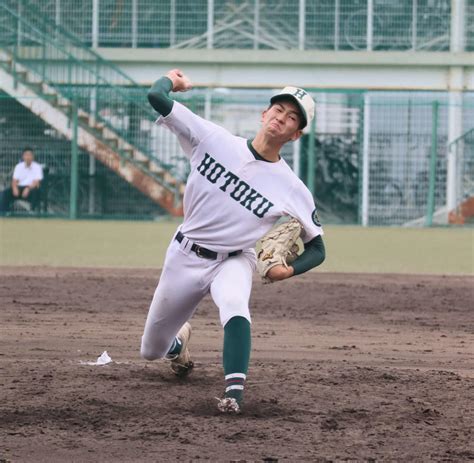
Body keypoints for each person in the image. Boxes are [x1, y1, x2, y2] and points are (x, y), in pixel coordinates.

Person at [141, 69, 325, 414]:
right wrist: (171, 80)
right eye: (279, 110)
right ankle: (178, 345)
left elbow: (318, 248)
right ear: (264, 114)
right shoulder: (214, 139)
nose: (282, 118)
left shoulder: (291, 188)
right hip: (184, 254)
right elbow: (157, 97)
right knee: (151, 350)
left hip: (235, 258)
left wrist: (290, 270)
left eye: (291, 118)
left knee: (235, 304)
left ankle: (233, 396)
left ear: (296, 134)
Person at [0, 147, 43, 213]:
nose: (28, 157)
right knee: (4, 193)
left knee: (36, 192)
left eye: (30, 155)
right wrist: (14, 188)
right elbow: (14, 180)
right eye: (26, 155)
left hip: (31, 188)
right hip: (19, 188)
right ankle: (4, 213)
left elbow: (37, 182)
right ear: (23, 156)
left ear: (33, 157)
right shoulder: (18, 166)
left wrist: (28, 188)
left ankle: (32, 212)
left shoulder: (37, 167)